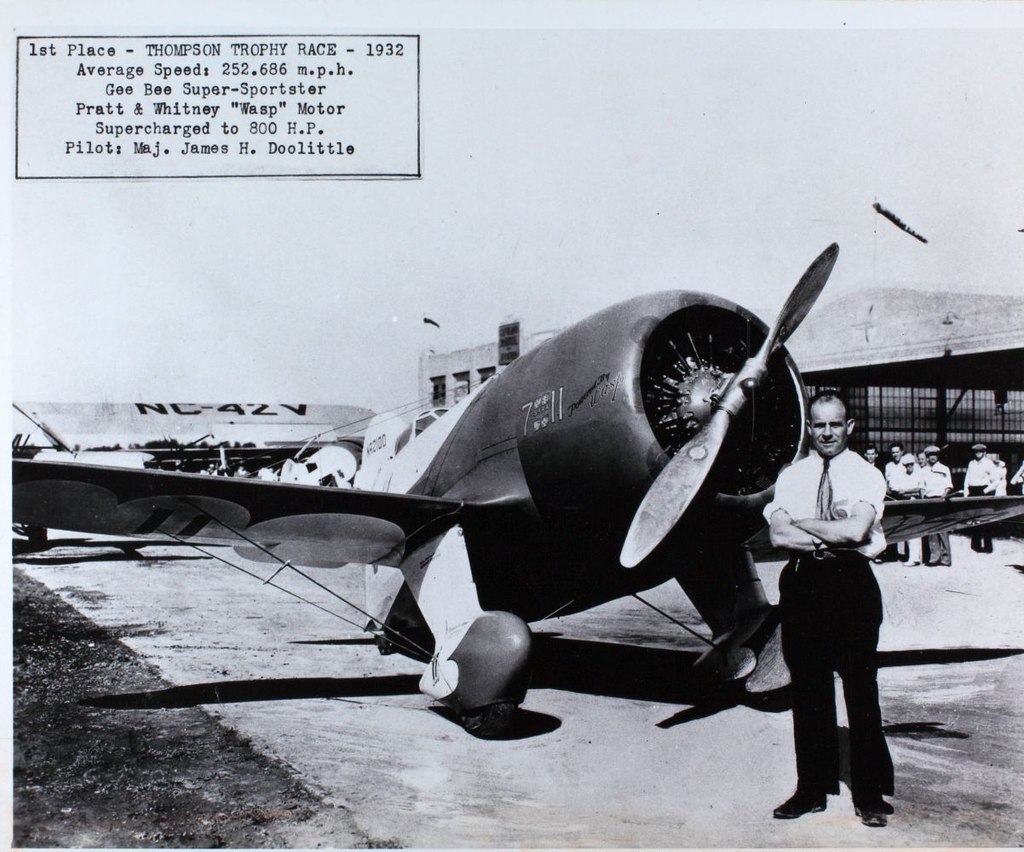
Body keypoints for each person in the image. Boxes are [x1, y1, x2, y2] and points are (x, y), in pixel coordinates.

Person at [764, 390, 894, 828]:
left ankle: (870, 794)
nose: (826, 433)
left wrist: (801, 523)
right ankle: (811, 789)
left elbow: (857, 530)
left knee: (861, 689)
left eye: (835, 424)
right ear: (810, 427)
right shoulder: (791, 476)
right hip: (803, 585)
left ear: (849, 426)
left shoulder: (866, 474)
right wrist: (827, 534)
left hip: (851, 584)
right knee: (808, 690)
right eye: (819, 425)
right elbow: (778, 539)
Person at [887, 454, 924, 565]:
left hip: (915, 504)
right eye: (907, 465)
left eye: (911, 465)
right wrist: (906, 492)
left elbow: (920, 488)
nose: (909, 467)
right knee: (908, 530)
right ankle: (912, 558)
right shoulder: (902, 476)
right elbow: (898, 490)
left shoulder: (918, 475)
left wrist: (908, 491)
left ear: (914, 465)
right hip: (907, 505)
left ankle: (915, 558)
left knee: (916, 531)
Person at [920, 445, 953, 566]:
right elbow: (922, 487)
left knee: (943, 529)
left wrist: (943, 497)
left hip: (941, 500)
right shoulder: (923, 470)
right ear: (927, 457)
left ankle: (946, 558)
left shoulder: (944, 469)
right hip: (928, 501)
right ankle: (934, 557)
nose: (932, 457)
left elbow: (948, 486)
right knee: (931, 530)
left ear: (937, 456)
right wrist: (923, 500)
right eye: (930, 455)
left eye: (934, 455)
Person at [964, 443, 997, 553]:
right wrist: (966, 492)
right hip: (973, 492)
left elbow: (996, 481)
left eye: (980, 451)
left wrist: (985, 491)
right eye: (976, 452)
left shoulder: (989, 463)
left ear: (984, 452)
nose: (978, 453)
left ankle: (988, 547)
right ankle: (976, 546)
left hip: (984, 491)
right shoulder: (971, 464)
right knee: (974, 519)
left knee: (985, 519)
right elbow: (967, 479)